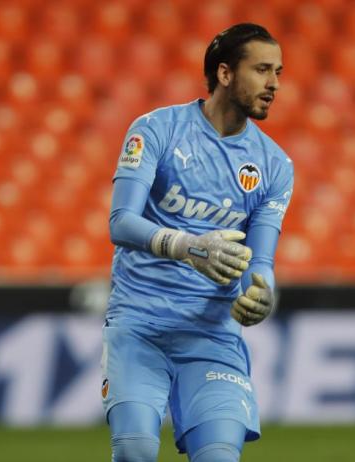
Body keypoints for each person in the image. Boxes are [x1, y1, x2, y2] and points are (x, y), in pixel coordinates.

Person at [101, 23, 292, 462]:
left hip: (211, 336)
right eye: (262, 70)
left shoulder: (275, 166)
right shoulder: (156, 130)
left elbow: (260, 260)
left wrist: (262, 293)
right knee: (135, 451)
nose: (274, 84)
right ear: (224, 74)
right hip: (139, 323)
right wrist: (188, 246)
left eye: (278, 72)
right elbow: (121, 222)